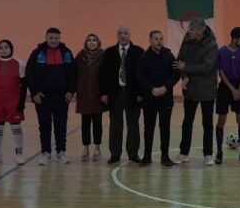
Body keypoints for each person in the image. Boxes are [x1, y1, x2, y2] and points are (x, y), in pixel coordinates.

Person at [26, 27, 76, 166]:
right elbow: (29, 73)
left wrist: (70, 91)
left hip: (61, 97)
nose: (53, 40)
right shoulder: (37, 53)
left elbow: (73, 74)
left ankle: (61, 152)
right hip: (42, 98)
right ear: (46, 38)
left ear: (59, 38)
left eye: (56, 38)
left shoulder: (66, 53)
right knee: (44, 126)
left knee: (61, 126)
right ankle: (46, 153)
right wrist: (34, 92)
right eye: (51, 37)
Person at [173, 17, 219, 166]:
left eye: (192, 29)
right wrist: (184, 76)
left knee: (207, 123)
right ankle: (184, 152)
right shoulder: (187, 40)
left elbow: (207, 67)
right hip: (191, 89)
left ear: (201, 31)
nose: (189, 31)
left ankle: (208, 154)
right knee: (187, 122)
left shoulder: (212, 44)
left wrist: (186, 68)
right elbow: (180, 62)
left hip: (207, 89)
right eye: (189, 29)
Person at [100, 26, 144, 164]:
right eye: (120, 33)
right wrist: (103, 93)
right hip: (115, 93)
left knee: (133, 124)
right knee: (115, 124)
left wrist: (141, 93)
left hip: (133, 94)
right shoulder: (109, 52)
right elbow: (103, 74)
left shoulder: (138, 52)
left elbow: (142, 74)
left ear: (130, 35)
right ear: (117, 35)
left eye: (125, 33)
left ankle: (133, 153)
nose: (123, 35)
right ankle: (115, 153)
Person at [136, 30, 180, 167]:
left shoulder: (169, 56)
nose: (159, 41)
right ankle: (147, 156)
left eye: (161, 39)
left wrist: (165, 87)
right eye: (156, 39)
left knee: (165, 127)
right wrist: (151, 89)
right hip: (149, 98)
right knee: (148, 128)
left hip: (165, 99)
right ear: (150, 40)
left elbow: (176, 74)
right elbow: (139, 76)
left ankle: (165, 157)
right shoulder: (144, 57)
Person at [0, 40, 27, 165]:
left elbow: (24, 85)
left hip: (13, 99)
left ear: (11, 48)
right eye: (1, 47)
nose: (3, 49)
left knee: (16, 126)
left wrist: (22, 102)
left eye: (6, 47)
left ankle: (19, 153)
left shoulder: (19, 63)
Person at [215, 27, 240, 165]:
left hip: (239, 87)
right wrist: (232, 89)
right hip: (225, 87)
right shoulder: (222, 51)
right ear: (234, 39)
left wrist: (239, 89)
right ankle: (219, 152)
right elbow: (221, 72)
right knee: (221, 119)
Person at [75, 34, 106, 162]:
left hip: (98, 95)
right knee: (85, 123)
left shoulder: (103, 55)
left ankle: (97, 148)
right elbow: (74, 74)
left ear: (98, 42)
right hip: (83, 95)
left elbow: (106, 74)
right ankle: (86, 148)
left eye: (94, 40)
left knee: (97, 123)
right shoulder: (80, 56)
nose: (92, 42)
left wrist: (105, 93)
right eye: (89, 40)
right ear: (86, 42)